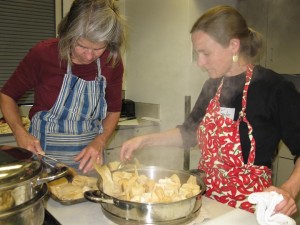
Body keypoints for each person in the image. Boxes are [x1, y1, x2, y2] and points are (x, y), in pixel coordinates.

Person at [120, 5, 300, 215]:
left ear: (233, 45)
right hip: (206, 204)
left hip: (251, 211)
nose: (200, 63)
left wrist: (289, 190)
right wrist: (144, 140)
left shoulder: (273, 87)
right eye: (198, 54)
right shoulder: (212, 86)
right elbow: (189, 133)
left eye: (206, 53)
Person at [0, 0, 126, 173]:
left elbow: (113, 110)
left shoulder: (111, 61)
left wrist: (101, 140)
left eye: (98, 48)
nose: (89, 56)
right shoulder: (44, 55)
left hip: (89, 162)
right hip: (43, 160)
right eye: (81, 45)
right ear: (68, 33)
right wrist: (19, 132)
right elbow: (7, 95)